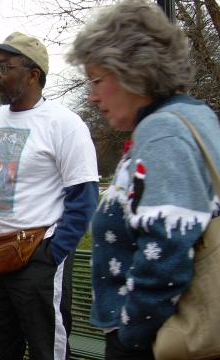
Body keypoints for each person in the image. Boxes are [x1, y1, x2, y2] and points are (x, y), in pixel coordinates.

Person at [66, 1, 220, 359]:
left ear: (131, 70)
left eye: (96, 80)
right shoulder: (194, 117)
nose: (91, 95)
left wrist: (132, 333)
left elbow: (165, 245)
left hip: (161, 341)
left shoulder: (163, 131)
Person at [0, 32, 99, 360]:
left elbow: (84, 196)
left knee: (47, 351)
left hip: (36, 257)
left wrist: (51, 255)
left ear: (32, 74)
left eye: (3, 66)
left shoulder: (65, 124)